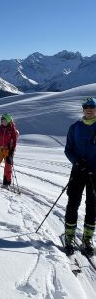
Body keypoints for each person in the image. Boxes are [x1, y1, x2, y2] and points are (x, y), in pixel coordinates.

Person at [64, 97, 96, 256]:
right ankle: (69, 236)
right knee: (73, 203)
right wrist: (77, 162)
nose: (89, 109)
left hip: (95, 173)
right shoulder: (74, 128)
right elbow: (68, 149)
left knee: (93, 206)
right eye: (86, 106)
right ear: (83, 109)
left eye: (92, 106)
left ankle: (87, 238)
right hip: (78, 172)